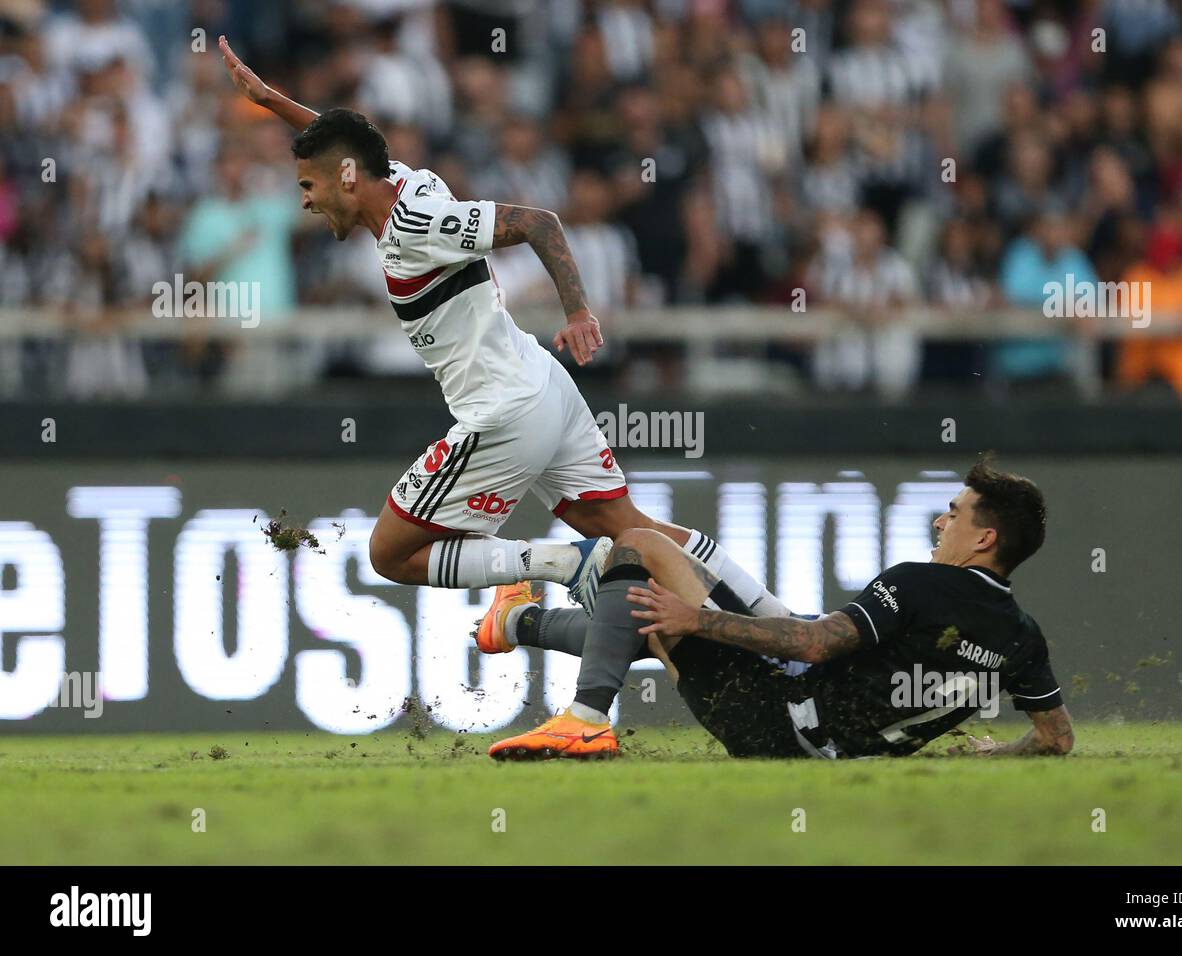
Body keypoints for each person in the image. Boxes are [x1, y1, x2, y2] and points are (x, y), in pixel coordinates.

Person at [217, 37, 786, 619]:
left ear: (344, 178)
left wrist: (579, 312)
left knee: (389, 553)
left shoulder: (416, 222)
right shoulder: (405, 182)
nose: (306, 202)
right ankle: (776, 622)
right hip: (543, 383)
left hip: (504, 410)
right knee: (632, 527)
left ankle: (564, 564)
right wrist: (270, 101)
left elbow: (539, 223)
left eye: (307, 186)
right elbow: (347, 143)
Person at [485, 459, 1071, 761]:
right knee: (678, 564)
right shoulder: (1025, 638)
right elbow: (1055, 738)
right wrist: (997, 753)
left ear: (984, 539)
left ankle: (584, 721)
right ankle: (517, 622)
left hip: (769, 720)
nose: (941, 522)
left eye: (955, 513)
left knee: (638, 547)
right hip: (828, 741)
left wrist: (701, 620)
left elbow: (815, 645)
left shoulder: (920, 585)